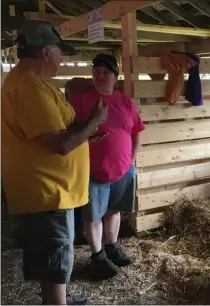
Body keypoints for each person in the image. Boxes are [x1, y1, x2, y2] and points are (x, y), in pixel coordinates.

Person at [1, 21, 108, 305]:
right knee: (56, 259)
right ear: (47, 52)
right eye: (60, 52)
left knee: (53, 260)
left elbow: (60, 132)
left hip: (50, 191)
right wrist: (95, 122)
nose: (62, 58)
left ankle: (57, 296)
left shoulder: (31, 83)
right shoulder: (31, 88)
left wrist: (85, 133)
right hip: (48, 193)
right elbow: (60, 144)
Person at [69, 53, 146, 279]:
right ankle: (98, 256)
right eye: (96, 71)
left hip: (123, 169)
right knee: (92, 215)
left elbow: (136, 132)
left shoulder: (125, 101)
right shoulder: (80, 101)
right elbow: (69, 132)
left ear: (115, 75)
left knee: (114, 210)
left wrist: (131, 160)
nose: (99, 76)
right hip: (94, 171)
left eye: (105, 72)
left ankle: (112, 246)